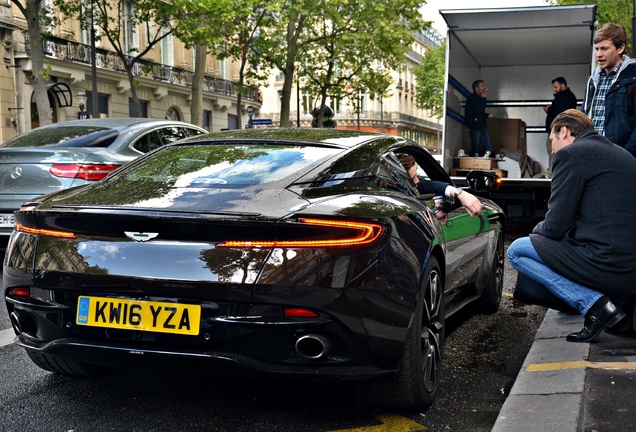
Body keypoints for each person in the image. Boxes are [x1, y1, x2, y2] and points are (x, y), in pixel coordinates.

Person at [507, 109, 636, 342]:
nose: (553, 149)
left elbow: (554, 226)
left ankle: (595, 306)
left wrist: (536, 233)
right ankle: (609, 305)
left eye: (551, 141)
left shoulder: (571, 155)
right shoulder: (622, 153)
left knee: (518, 250)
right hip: (630, 269)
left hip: (608, 264)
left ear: (564, 132)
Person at [581, 23, 636, 157]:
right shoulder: (592, 81)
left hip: (620, 158)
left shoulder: (632, 78)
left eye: (604, 49)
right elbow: (583, 117)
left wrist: (625, 155)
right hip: (591, 154)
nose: (599, 54)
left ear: (620, 48)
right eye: (597, 49)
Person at [397, 154, 482, 224]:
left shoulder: (414, 184)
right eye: (413, 178)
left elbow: (432, 185)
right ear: (396, 181)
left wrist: (460, 193)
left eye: (416, 175)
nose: (417, 181)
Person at [543, 77, 577, 177]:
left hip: (560, 132)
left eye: (556, 87)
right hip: (556, 131)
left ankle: (553, 174)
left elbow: (561, 112)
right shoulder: (561, 97)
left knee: (555, 152)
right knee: (552, 152)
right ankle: (552, 173)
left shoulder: (568, 97)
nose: (555, 89)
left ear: (563, 85)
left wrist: (550, 110)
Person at [464, 80, 494, 157]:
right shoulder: (472, 98)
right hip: (474, 126)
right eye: (482, 86)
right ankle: (473, 163)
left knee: (487, 146)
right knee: (475, 147)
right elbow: (478, 110)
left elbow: (479, 113)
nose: (485, 88)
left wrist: (487, 116)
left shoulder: (479, 98)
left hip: (481, 125)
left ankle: (489, 159)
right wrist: (484, 98)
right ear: (476, 88)